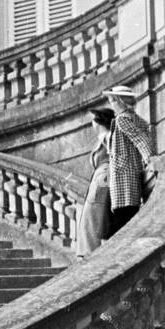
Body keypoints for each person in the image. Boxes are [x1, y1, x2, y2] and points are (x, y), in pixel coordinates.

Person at [102, 85, 155, 237]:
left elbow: (140, 140)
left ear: (119, 101)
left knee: (122, 221)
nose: (111, 104)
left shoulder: (122, 119)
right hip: (127, 177)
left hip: (123, 179)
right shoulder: (135, 118)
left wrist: (150, 159)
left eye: (112, 101)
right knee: (126, 218)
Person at [76, 107, 113, 257]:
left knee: (94, 218)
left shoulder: (108, 137)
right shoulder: (102, 138)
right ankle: (87, 251)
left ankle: (89, 252)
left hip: (103, 182)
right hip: (98, 182)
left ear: (97, 123)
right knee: (90, 218)